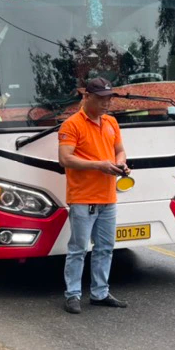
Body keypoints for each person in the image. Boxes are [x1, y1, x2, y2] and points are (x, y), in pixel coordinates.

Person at [57, 77, 131, 314]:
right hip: (83, 197)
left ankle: (100, 293)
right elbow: (65, 159)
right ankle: (73, 295)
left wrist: (121, 164)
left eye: (108, 98)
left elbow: (120, 151)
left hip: (108, 197)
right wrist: (100, 165)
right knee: (78, 249)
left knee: (105, 248)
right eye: (100, 99)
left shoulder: (111, 122)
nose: (106, 103)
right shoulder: (71, 125)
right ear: (86, 97)